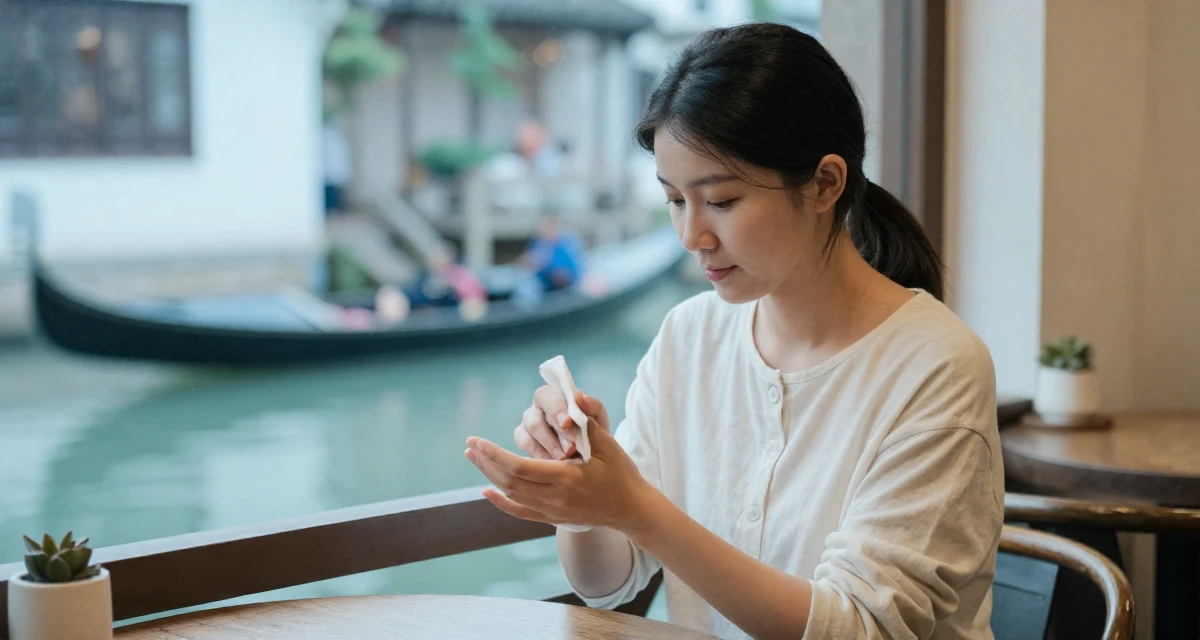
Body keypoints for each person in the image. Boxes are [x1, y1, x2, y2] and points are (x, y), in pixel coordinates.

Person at [464, 23, 1002, 640]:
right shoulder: (689, 337)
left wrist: (635, 506)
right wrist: (586, 500)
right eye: (673, 200)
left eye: (720, 200)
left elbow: (857, 628)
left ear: (825, 182)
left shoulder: (936, 365)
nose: (693, 236)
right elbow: (608, 581)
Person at [518, 217, 585, 292]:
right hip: (542, 288)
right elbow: (523, 264)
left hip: (562, 290)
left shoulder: (565, 247)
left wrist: (546, 267)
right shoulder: (538, 244)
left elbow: (567, 277)